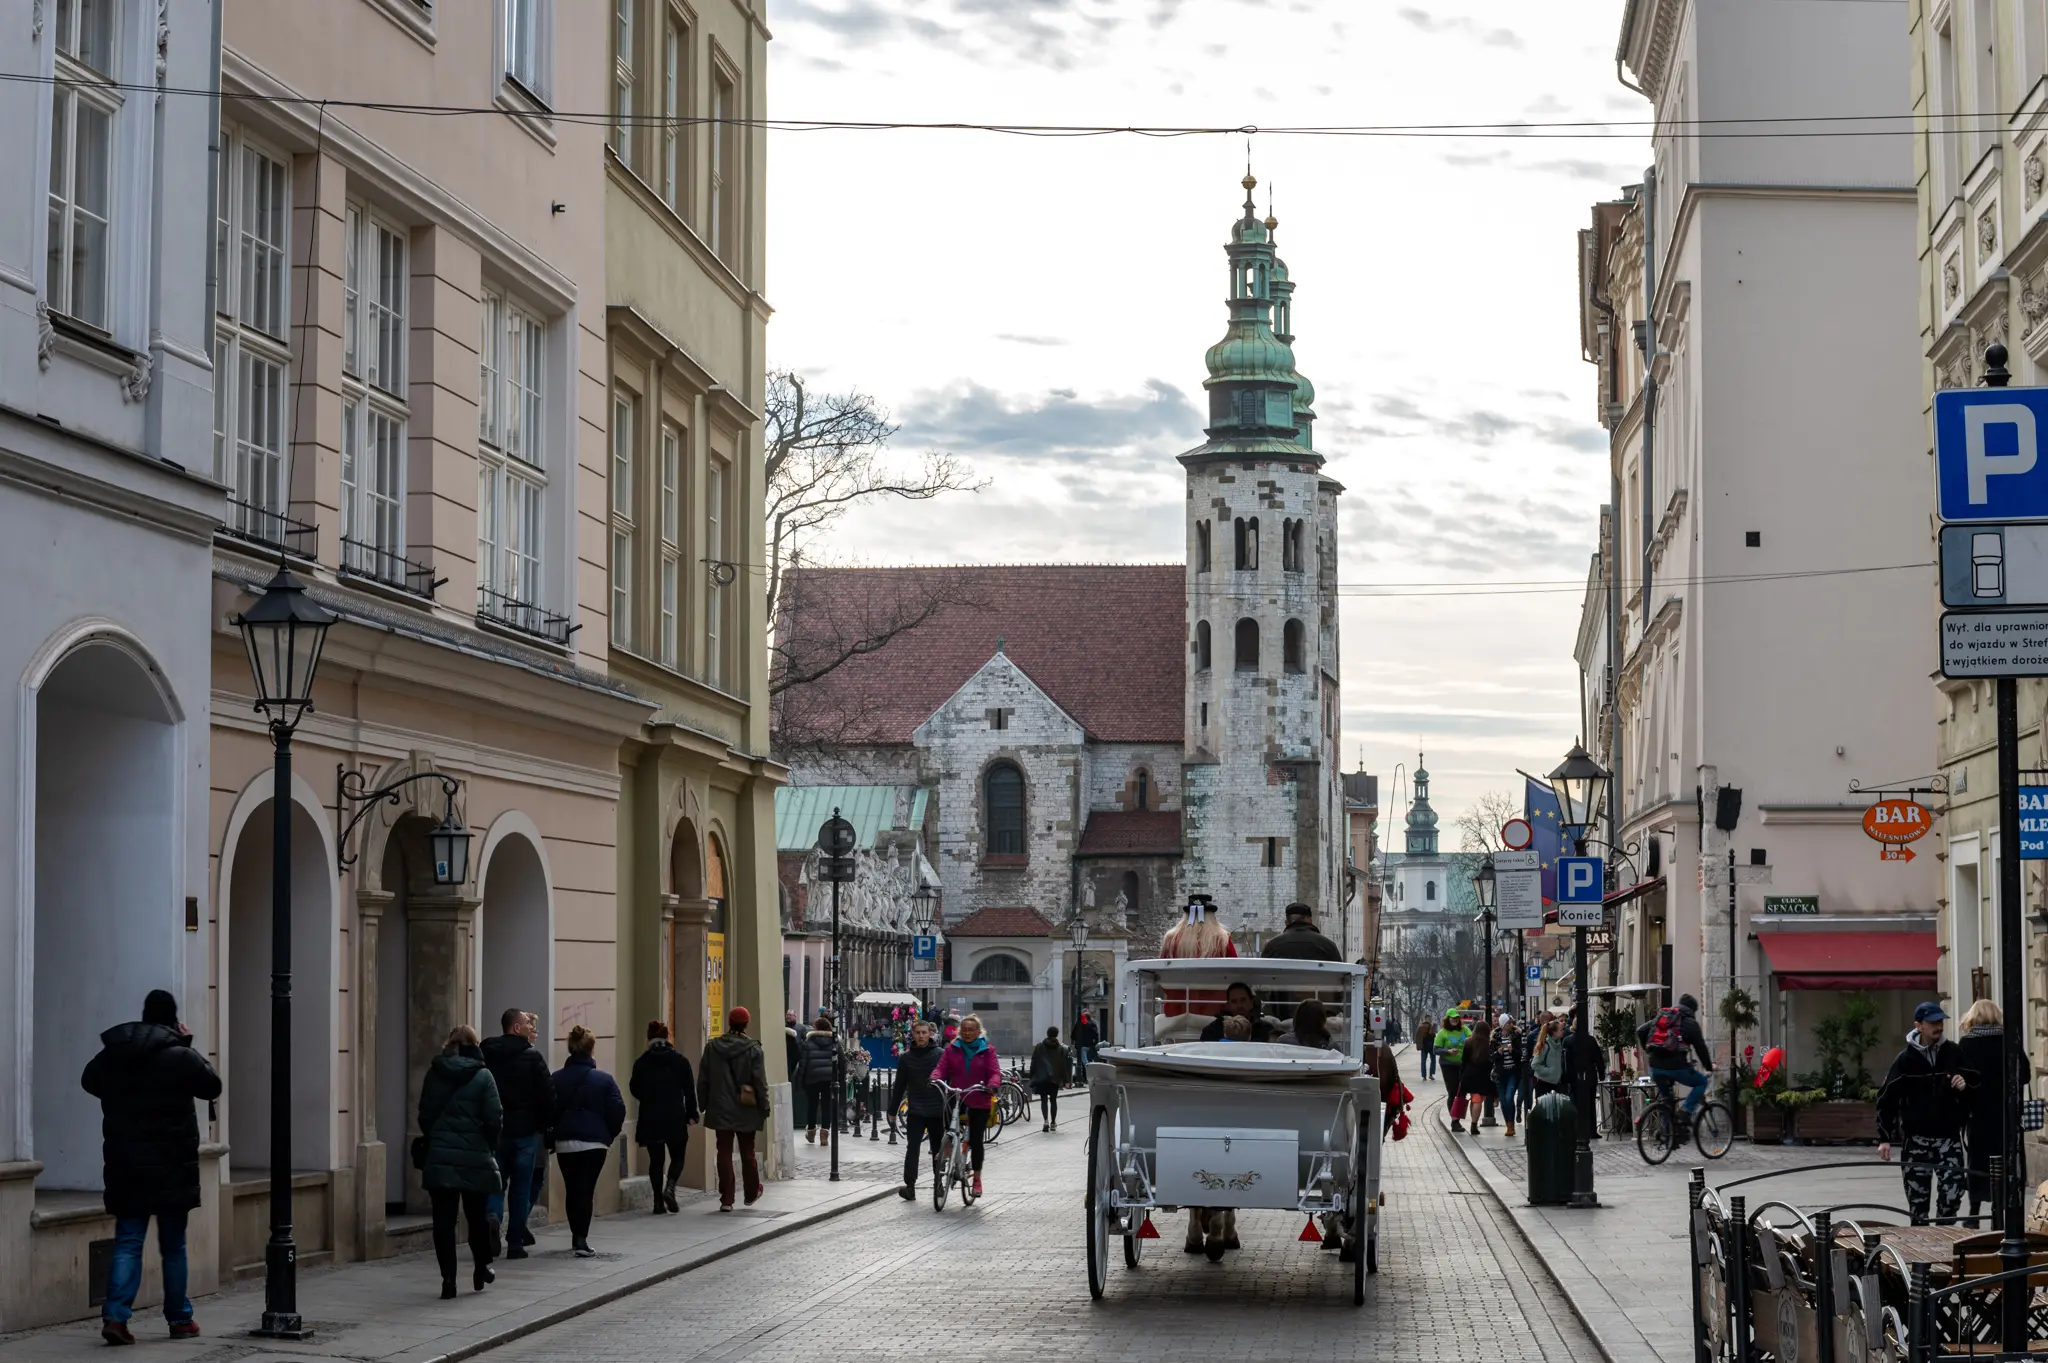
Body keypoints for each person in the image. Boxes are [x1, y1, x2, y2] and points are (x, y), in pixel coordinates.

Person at [79, 990, 221, 1345]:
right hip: (172, 1170)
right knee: (173, 1247)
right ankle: (179, 1319)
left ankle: (116, 1317)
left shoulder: (116, 1053)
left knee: (128, 1241)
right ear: (173, 1019)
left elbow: (88, 1080)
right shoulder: (179, 1055)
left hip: (127, 1165)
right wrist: (188, 1045)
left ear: (144, 1016)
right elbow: (212, 1086)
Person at [418, 1024, 503, 1298]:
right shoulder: (484, 1075)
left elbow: (424, 1115)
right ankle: (481, 1267)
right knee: (476, 1217)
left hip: (441, 1156)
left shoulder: (435, 1073)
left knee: (443, 1221)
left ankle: (448, 1280)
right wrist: (487, 1146)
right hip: (475, 1156)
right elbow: (494, 1118)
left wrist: (438, 1139)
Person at [1877, 1002, 1977, 1224]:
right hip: (1916, 1140)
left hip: (1948, 1138)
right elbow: (1887, 1099)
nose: (1938, 1027)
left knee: (1953, 1195)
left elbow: (1976, 1085)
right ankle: (1920, 1252)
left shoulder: (1954, 1053)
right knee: (1918, 1205)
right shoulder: (1905, 1060)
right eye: (1932, 1023)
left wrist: (1965, 1086)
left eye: (1940, 1022)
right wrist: (1884, 1138)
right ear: (1918, 1026)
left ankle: (1944, 1238)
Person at [480, 1006, 553, 1259]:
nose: (531, 1028)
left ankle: (492, 1217)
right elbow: (548, 1094)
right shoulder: (532, 1057)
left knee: (496, 1185)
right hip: (524, 1133)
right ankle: (515, 1243)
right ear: (516, 1028)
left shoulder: (487, 1052)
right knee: (521, 1189)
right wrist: (542, 1125)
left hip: (496, 1132)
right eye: (527, 1024)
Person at [550, 1025, 626, 1255]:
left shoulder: (556, 1079)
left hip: (565, 1142)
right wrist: (608, 1134)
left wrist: (554, 1132)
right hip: (595, 1144)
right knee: (585, 1188)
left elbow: (548, 1109)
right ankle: (581, 1239)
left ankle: (576, 1235)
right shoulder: (604, 1080)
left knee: (572, 1189)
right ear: (592, 1049)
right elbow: (618, 1110)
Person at [700, 1006, 771, 1211]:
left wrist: (702, 1103)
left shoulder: (713, 1047)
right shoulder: (753, 1049)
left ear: (729, 1022)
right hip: (746, 1107)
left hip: (720, 1106)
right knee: (747, 1150)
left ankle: (726, 1199)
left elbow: (703, 1079)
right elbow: (760, 1081)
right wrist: (764, 1105)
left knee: (723, 1150)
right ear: (746, 1024)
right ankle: (751, 1192)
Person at [629, 1020, 698, 1215]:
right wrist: (691, 1114)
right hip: (674, 1115)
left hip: (651, 1116)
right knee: (678, 1156)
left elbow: (634, 1088)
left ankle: (658, 1202)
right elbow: (689, 1090)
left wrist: (648, 1097)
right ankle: (671, 1186)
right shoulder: (680, 1061)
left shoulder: (642, 1062)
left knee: (656, 1160)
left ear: (649, 1038)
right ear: (668, 1037)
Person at [1955, 999, 2012, 1226]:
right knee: (2002, 1160)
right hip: (2003, 1114)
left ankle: (1974, 1212)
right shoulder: (2007, 1041)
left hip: (1977, 1113)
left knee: (1977, 1161)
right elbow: (2025, 1073)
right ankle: (1999, 1210)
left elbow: (1959, 1078)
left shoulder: (1966, 1044)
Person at [932, 1012, 1001, 1197]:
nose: (968, 1033)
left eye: (971, 1030)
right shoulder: (951, 1049)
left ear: (979, 1031)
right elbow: (942, 1067)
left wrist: (993, 1085)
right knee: (945, 1118)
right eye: (964, 1030)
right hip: (957, 1095)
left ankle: (976, 1179)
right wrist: (935, 1077)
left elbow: (994, 1072)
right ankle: (947, 1147)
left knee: (976, 1140)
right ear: (959, 1031)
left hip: (979, 1096)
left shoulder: (988, 1050)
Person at [1637, 994, 1715, 1122]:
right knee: (1701, 1082)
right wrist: (1709, 1066)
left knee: (1666, 1102)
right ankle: (1686, 1110)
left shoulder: (1662, 1017)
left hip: (1655, 1067)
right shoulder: (1690, 1023)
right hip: (1676, 1067)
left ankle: (1667, 1136)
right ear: (1692, 1010)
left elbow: (1640, 1031)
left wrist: (1649, 1051)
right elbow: (1700, 1048)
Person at [891, 1019, 945, 1199]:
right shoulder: (906, 1058)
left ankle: (938, 1184)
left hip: (937, 1109)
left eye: (924, 1032)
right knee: (912, 1147)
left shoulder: (940, 1054)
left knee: (938, 1149)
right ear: (913, 1034)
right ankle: (910, 1187)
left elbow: (948, 1082)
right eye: (918, 1033)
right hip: (916, 1110)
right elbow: (899, 1086)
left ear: (930, 1033)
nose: (921, 1036)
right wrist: (892, 1111)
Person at [799, 1013, 840, 1144]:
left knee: (812, 1105)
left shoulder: (808, 1043)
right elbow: (840, 1062)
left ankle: (811, 1132)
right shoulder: (834, 1042)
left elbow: (803, 1063)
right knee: (826, 1105)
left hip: (812, 1078)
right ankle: (824, 1134)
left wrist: (800, 1078)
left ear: (816, 1028)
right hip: (829, 1078)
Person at [1199, 982, 1280, 1042]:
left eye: (1243, 1000)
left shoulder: (1266, 1029)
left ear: (1251, 1003)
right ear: (1228, 1005)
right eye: (1234, 1001)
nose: (1239, 1005)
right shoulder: (1214, 1029)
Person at [1260, 903, 1342, 961]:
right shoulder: (1327, 945)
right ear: (1310, 920)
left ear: (1286, 922)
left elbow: (1260, 975)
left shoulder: (1272, 945)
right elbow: (1341, 975)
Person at [1029, 1026, 1073, 1131]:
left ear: (1047, 1034)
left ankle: (1045, 1121)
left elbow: (1034, 1061)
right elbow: (1062, 1066)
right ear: (1057, 1034)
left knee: (1043, 1100)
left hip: (1042, 1077)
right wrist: (1066, 1080)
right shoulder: (1060, 1049)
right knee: (1053, 1100)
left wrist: (1032, 1075)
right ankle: (1053, 1122)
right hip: (1055, 1079)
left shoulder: (1039, 1046)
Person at [1436, 1010, 1473, 1128]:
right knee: (1453, 1091)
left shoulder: (1465, 1030)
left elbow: (1472, 1040)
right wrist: (1447, 1051)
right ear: (1447, 1019)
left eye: (1456, 1018)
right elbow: (1435, 1049)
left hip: (1463, 1064)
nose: (1455, 1020)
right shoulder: (1443, 1033)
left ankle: (1458, 1116)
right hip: (1448, 1065)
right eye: (1452, 1018)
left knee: (1462, 1091)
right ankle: (1455, 1121)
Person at [1460, 1021, 1497, 1137]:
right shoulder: (1490, 1043)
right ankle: (1474, 1124)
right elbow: (1492, 1059)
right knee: (1478, 1099)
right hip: (1483, 1074)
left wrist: (1462, 1075)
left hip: (1469, 1073)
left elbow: (1464, 1060)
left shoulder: (1468, 1042)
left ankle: (1473, 1121)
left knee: (1474, 1097)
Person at [1493, 1015, 1523, 1137]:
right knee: (1504, 1101)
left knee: (1509, 1097)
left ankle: (1511, 1124)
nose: (1511, 1025)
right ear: (1503, 1025)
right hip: (1500, 1073)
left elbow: (1522, 1054)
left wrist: (1513, 1051)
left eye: (1511, 1022)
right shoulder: (1495, 1038)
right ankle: (1508, 1125)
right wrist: (1497, 1052)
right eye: (1508, 1023)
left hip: (1512, 1071)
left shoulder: (1516, 1036)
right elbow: (1490, 1056)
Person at [1530, 1014, 1567, 1097]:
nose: (1563, 1031)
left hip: (1555, 1082)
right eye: (1561, 1030)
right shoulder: (1545, 1046)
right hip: (1543, 1082)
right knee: (1544, 1108)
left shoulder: (1558, 1044)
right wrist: (1550, 1071)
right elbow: (1534, 1064)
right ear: (1554, 1032)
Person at [784, 1011, 806, 1130]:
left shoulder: (801, 1028)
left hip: (797, 1057)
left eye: (790, 1015)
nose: (788, 1017)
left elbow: (804, 1040)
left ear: (795, 1016)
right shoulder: (783, 1027)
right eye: (787, 1015)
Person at [1414, 1014, 1438, 1080]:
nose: (1431, 1020)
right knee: (1433, 1060)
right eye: (1430, 1019)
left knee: (1423, 1061)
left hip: (1423, 1046)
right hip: (1431, 1045)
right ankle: (1431, 1074)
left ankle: (1424, 1076)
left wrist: (1419, 1046)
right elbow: (1433, 1035)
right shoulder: (1431, 1026)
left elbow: (1417, 1037)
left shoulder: (1420, 1027)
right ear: (1427, 1019)